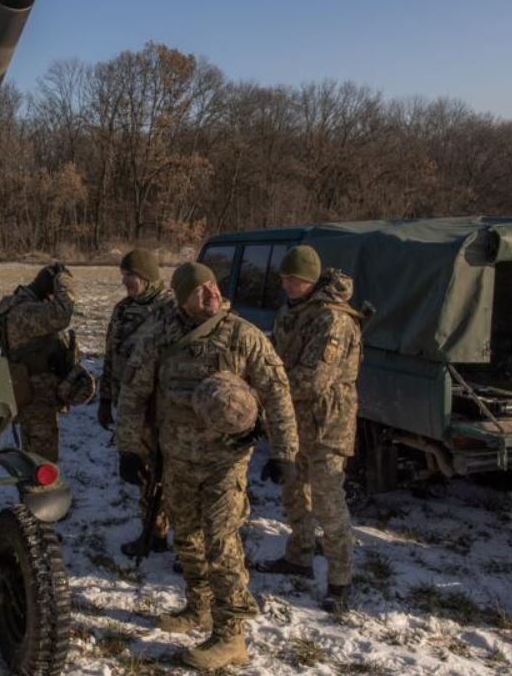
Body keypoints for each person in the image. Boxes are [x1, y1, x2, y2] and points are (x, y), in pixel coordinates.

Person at [116, 261, 299, 670]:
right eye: (201, 290)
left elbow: (277, 391)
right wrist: (129, 448)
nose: (212, 294)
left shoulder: (241, 335)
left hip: (225, 462)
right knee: (187, 536)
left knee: (221, 541)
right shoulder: (159, 334)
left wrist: (285, 451)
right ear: (183, 297)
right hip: (176, 459)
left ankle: (231, 634)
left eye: (214, 286)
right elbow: (133, 391)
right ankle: (197, 606)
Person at [254, 245, 364, 614]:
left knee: (328, 503)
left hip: (326, 425)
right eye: (283, 277)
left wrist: (267, 383)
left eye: (293, 278)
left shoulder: (333, 320)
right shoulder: (293, 310)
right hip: (294, 422)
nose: (286, 284)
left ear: (311, 280)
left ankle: (340, 580)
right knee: (293, 493)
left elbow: (314, 379)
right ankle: (298, 557)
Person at [98, 249, 175, 557]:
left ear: (147, 276)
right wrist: (105, 399)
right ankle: (153, 531)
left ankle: (171, 536)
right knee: (143, 474)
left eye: (130, 275)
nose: (125, 281)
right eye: (124, 275)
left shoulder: (169, 309)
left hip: (158, 409)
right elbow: (110, 356)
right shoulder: (122, 309)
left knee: (164, 475)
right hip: (129, 406)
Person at [0, 263, 79, 461]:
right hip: (37, 396)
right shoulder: (27, 312)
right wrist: (63, 282)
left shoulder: (11, 304)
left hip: (26, 391)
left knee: (32, 454)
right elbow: (62, 314)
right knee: (43, 461)